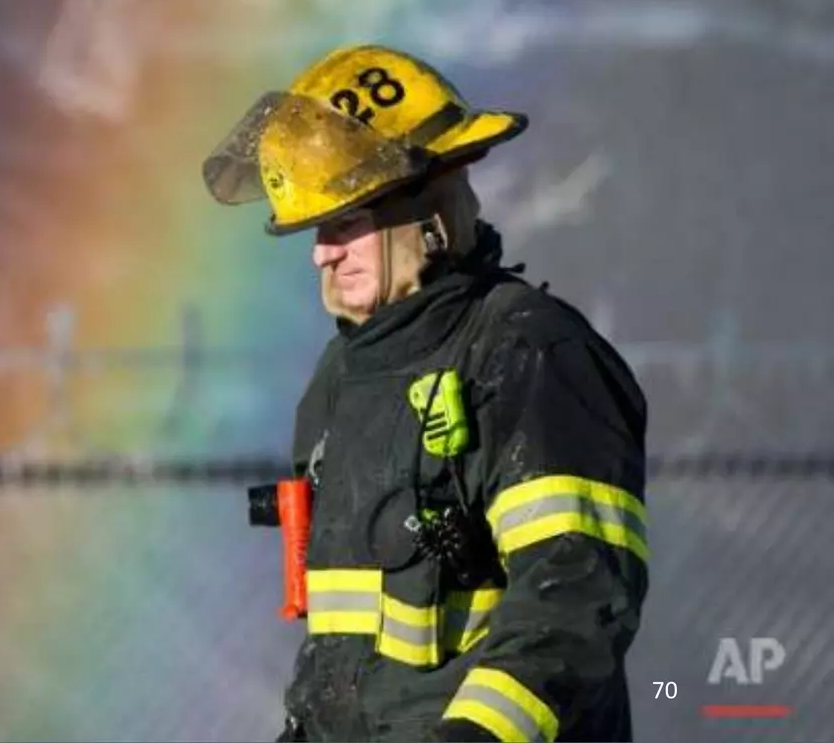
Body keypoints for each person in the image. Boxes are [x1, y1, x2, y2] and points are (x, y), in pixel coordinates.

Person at [202, 45, 649, 743]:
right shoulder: (340, 381)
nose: (321, 251)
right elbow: (345, 655)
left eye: (344, 222)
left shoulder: (527, 354)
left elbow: (574, 598)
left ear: (427, 214)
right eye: (316, 231)